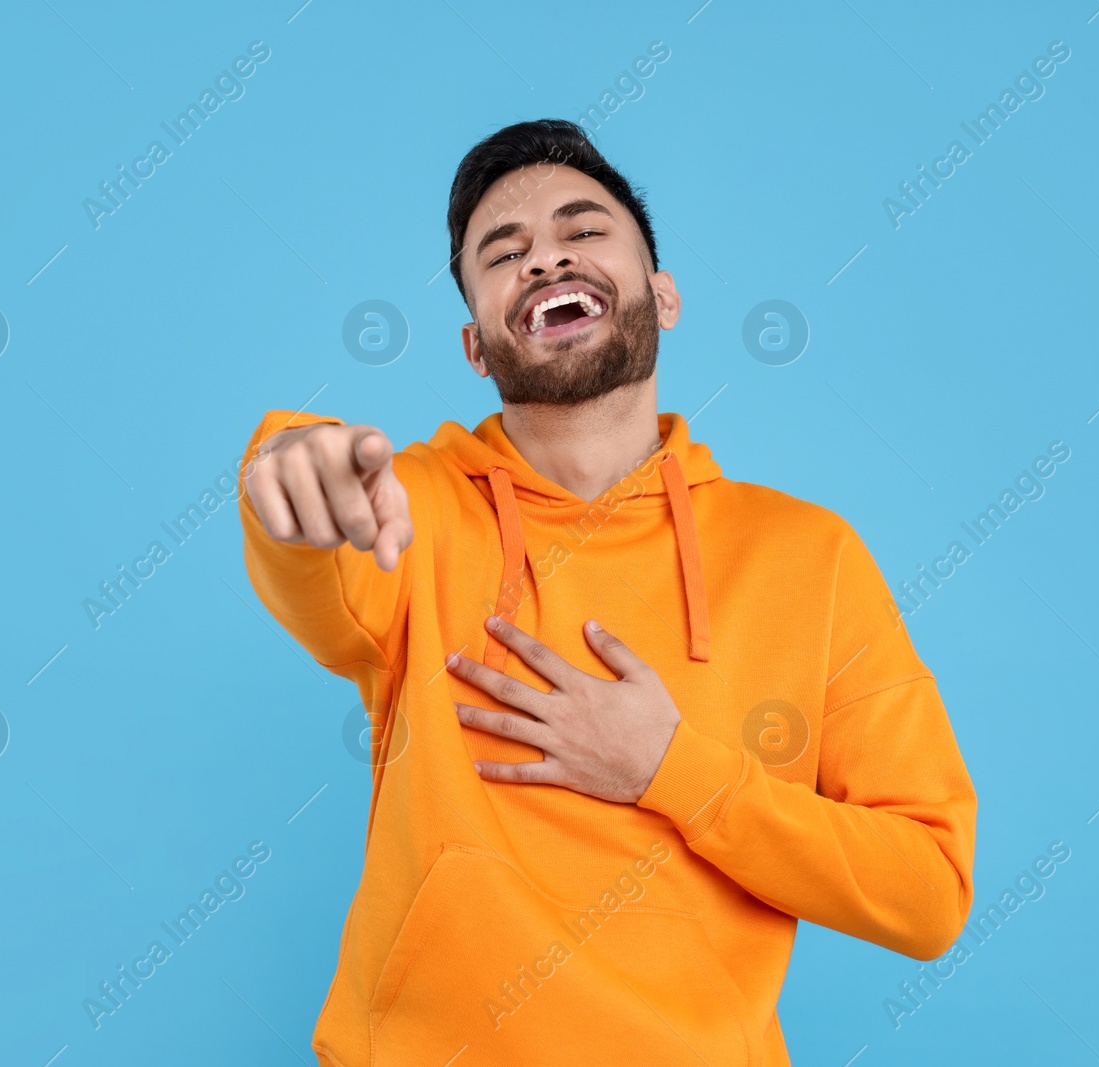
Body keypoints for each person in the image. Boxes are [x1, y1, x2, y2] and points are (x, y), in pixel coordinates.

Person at [238, 118, 976, 1066]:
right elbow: (313, 532)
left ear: (663, 297)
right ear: (476, 345)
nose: (544, 260)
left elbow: (928, 889)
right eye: (504, 254)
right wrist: (288, 462)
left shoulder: (809, 555)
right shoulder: (414, 510)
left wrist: (672, 767)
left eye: (582, 231)